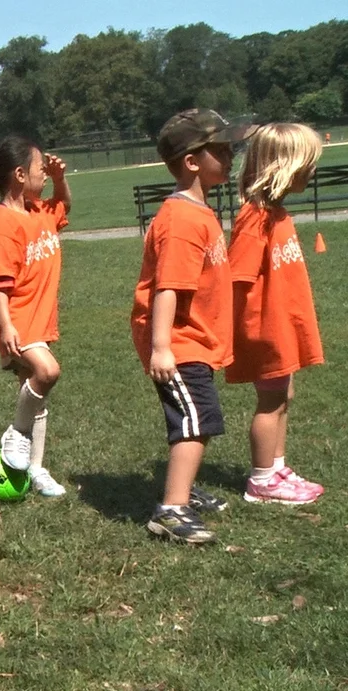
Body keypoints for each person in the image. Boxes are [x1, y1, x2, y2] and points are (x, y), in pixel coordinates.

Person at [130, 108, 254, 544]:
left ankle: (184, 489)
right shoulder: (182, 219)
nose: (230, 153)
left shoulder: (198, 211)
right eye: (220, 148)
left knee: (199, 417)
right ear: (192, 162)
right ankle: (171, 509)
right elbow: (168, 287)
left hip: (195, 338)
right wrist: (162, 347)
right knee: (194, 420)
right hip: (179, 341)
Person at [0, 137, 71, 497]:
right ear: (21, 174)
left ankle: (36, 471)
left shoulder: (38, 210)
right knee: (47, 371)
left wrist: (59, 178)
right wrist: (7, 327)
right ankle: (17, 432)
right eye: (42, 170)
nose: (46, 174)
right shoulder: (4, 223)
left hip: (37, 318)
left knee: (36, 392)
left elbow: (64, 206)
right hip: (15, 318)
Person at [227, 123, 325, 504]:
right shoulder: (255, 218)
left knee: (284, 394)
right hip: (264, 329)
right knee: (271, 400)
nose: (312, 171)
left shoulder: (277, 213)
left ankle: (277, 466)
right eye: (307, 164)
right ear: (283, 166)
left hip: (282, 324)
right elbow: (237, 278)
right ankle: (262, 481)